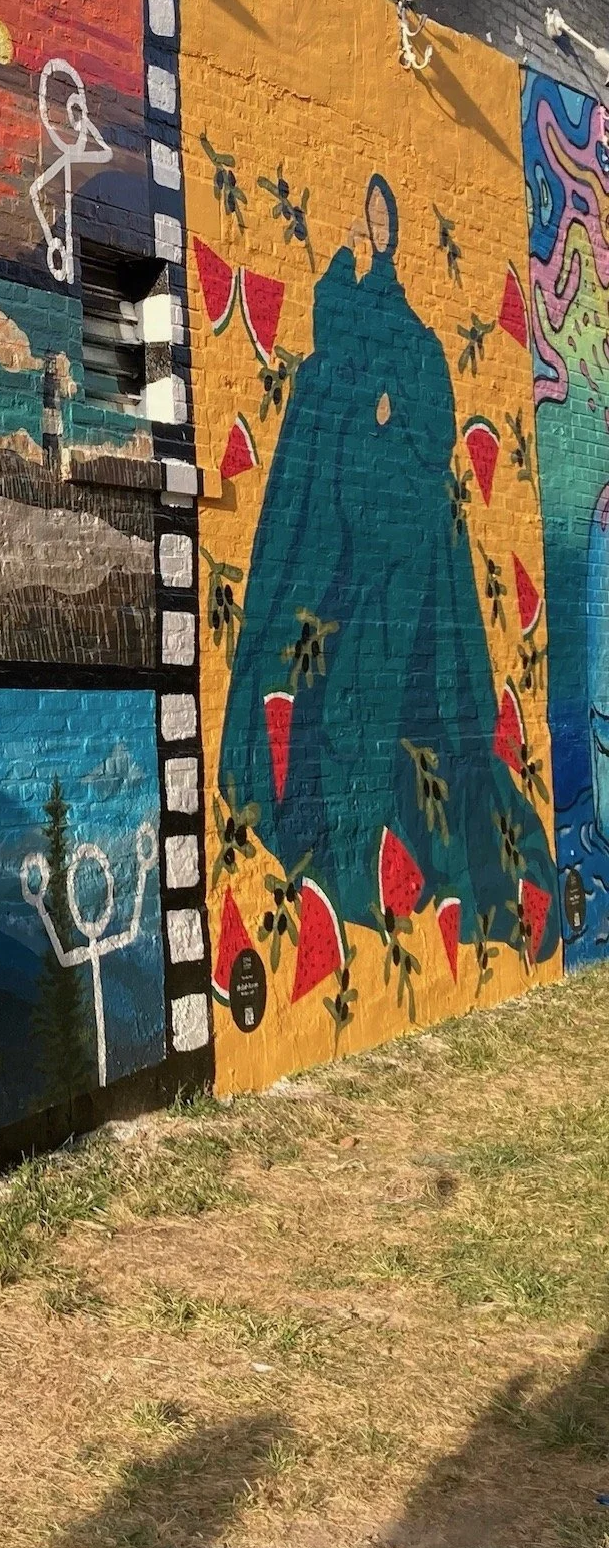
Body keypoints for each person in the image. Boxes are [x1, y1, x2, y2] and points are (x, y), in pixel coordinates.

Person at [219, 172, 558, 962]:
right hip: (334, 553)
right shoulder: (333, 317)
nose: (364, 227)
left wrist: (389, 424)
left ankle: (424, 867)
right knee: (318, 699)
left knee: (388, 714)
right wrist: (351, 413)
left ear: (394, 229)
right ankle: (330, 846)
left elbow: (429, 429)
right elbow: (325, 411)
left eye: (377, 216)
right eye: (359, 214)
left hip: (401, 563)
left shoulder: (415, 341)